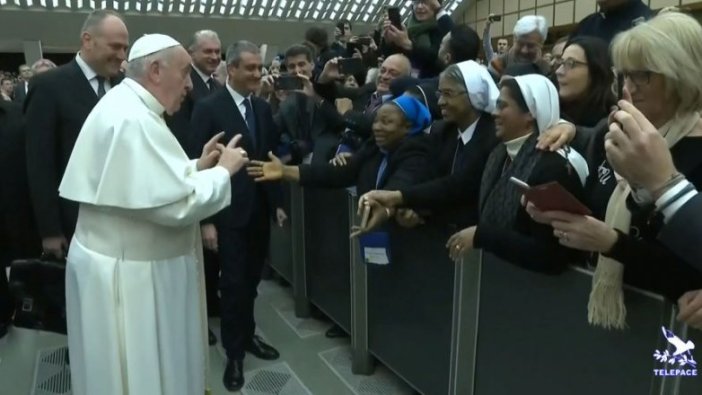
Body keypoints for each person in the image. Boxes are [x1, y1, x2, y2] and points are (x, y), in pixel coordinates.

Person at [58, 34, 249, 395]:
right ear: (157, 70)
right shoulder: (135, 119)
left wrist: (196, 166)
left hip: (121, 263)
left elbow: (148, 182)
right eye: (185, 74)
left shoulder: (128, 105)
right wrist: (223, 171)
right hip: (132, 279)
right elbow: (174, 206)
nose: (191, 86)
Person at [527, 12, 702, 329]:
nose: (628, 89)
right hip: (593, 311)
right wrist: (556, 212)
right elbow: (593, 206)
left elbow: (691, 271)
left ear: (682, 76)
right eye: (623, 75)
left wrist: (612, 244)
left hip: (663, 337)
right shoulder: (612, 131)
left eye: (642, 75)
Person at [190, 41, 285, 392]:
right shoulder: (208, 108)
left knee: (251, 282)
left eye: (260, 68)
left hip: (258, 212)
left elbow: (268, 158)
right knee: (231, 285)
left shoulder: (260, 108)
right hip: (225, 213)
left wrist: (277, 202)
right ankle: (234, 354)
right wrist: (206, 220)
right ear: (231, 70)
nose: (258, 74)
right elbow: (197, 165)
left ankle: (247, 335)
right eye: (251, 69)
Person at [24, 10, 128, 259]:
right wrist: (50, 230)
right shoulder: (50, 86)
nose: (122, 56)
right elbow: (39, 163)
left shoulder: (126, 87)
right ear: (87, 40)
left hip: (122, 223)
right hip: (74, 225)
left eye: (126, 48)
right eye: (115, 46)